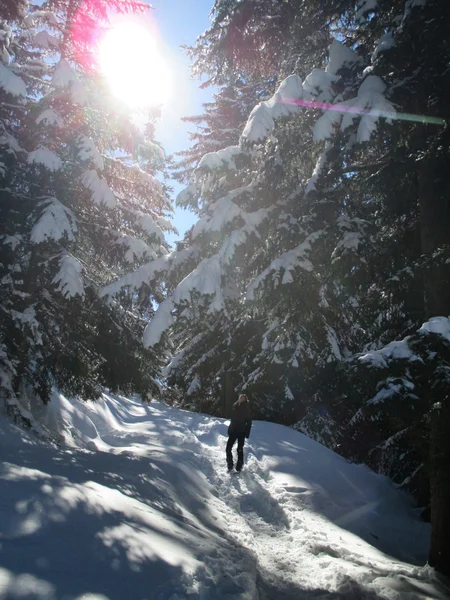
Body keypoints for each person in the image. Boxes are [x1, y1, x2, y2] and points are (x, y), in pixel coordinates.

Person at [226, 394, 252, 472]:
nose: (241, 398)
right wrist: (230, 429)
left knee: (239, 449)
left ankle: (239, 466)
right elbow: (232, 419)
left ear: (245, 400)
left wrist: (247, 433)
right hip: (233, 431)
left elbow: (249, 422)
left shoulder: (246, 409)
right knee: (228, 448)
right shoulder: (234, 406)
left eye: (243, 398)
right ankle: (230, 464)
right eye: (240, 397)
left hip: (241, 432)